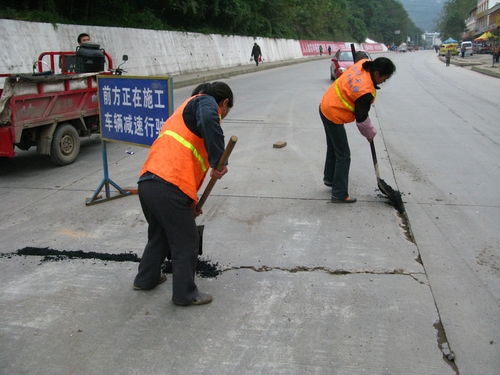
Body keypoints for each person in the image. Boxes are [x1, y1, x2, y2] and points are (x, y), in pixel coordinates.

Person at [132, 81, 234, 306]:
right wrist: (218, 160)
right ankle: (185, 293)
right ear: (224, 103)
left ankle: (146, 278)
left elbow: (185, 162)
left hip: (148, 182)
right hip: (169, 185)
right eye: (226, 111)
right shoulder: (205, 102)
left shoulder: (185, 110)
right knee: (186, 240)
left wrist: (190, 203)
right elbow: (210, 119)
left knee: (160, 234)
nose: (222, 116)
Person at [319, 56, 396, 203]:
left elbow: (361, 55)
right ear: (377, 73)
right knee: (343, 155)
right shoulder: (365, 92)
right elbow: (361, 120)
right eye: (384, 78)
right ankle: (339, 193)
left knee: (334, 148)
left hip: (326, 104)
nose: (384, 81)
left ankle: (330, 179)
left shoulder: (363, 63)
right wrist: (370, 133)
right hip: (333, 113)